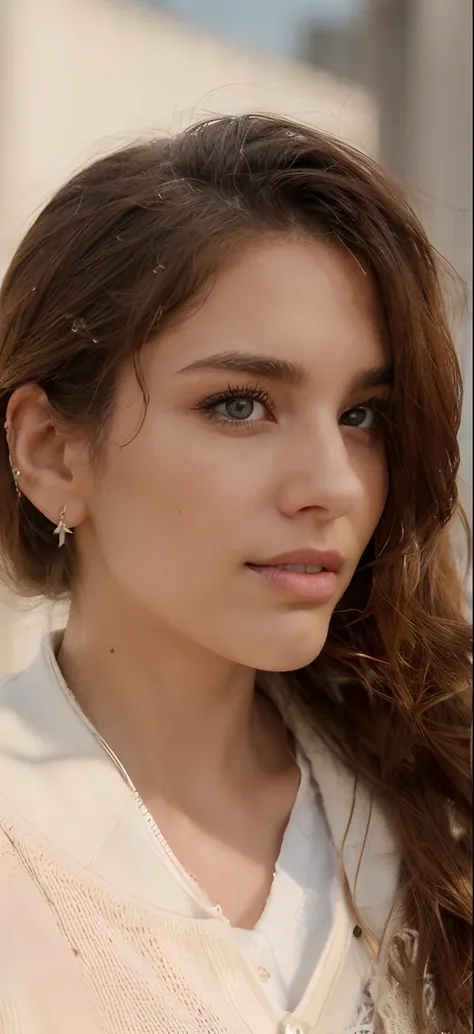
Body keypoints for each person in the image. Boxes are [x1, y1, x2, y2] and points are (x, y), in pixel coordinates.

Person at [0, 114, 471, 1034]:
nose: (334, 485)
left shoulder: (440, 811)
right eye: (242, 404)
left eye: (364, 415)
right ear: (53, 450)